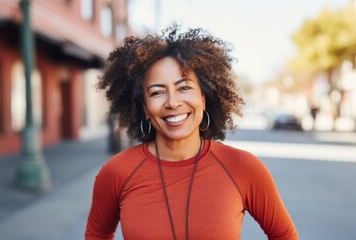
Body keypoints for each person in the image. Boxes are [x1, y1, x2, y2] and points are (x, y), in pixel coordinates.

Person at [85, 24, 298, 240]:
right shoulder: (117, 172)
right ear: (144, 109)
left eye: (184, 88)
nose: (172, 102)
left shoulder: (242, 167)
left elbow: (284, 235)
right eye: (157, 92)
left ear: (203, 98)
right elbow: (97, 235)